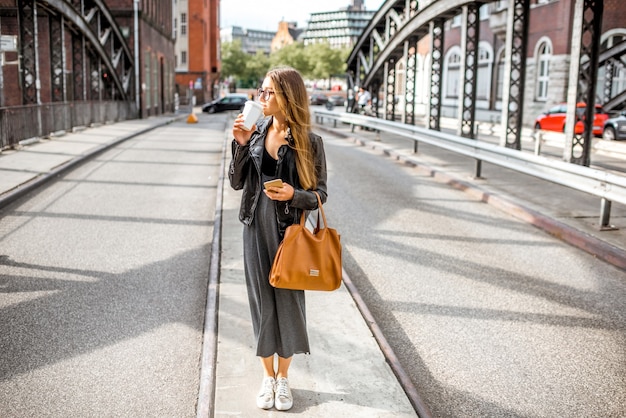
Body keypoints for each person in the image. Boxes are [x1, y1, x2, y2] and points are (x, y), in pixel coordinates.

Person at [228, 66, 328, 411]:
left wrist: (293, 195)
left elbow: (320, 196)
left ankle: (284, 379)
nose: (262, 97)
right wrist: (240, 145)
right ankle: (267, 378)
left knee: (287, 307)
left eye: (269, 92)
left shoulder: (310, 143)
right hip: (255, 230)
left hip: (291, 238)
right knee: (261, 307)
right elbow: (237, 183)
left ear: (287, 97)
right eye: (261, 90)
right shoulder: (254, 134)